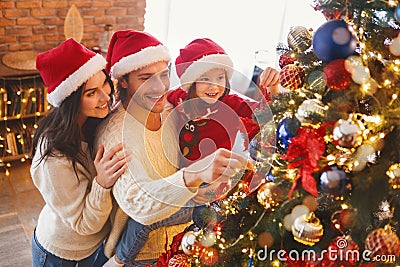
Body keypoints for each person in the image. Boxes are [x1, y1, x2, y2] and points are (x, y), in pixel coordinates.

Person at [95, 30, 248, 267]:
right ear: (123, 81)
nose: (160, 87)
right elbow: (139, 203)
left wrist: (273, 91)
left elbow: (221, 99)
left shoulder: (170, 107)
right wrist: (194, 175)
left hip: (186, 242)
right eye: (146, 77)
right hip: (144, 257)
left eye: (164, 75)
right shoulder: (116, 133)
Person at [31, 38, 128, 267]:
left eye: (105, 83)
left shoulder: (92, 122)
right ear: (71, 100)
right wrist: (102, 183)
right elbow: (84, 224)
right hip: (60, 254)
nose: (105, 97)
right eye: (91, 93)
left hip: (93, 247)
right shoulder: (53, 158)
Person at [167, 37, 280, 168]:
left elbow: (266, 112)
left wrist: (273, 86)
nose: (214, 86)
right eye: (205, 79)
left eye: (220, 78)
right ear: (190, 83)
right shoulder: (179, 97)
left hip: (216, 174)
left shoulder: (230, 103)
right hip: (181, 171)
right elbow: (159, 101)